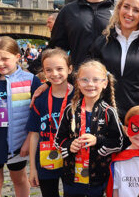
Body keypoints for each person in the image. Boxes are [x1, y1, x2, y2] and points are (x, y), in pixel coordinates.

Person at [0, 36, 41, 197]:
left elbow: (38, 114)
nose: (0, 63)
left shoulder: (31, 81)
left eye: (5, 59)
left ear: (18, 57)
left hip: (18, 142)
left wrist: (28, 141)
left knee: (19, 179)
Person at [54, 60, 123, 197]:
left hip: (98, 175)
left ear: (105, 83)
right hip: (72, 175)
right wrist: (69, 145)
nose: (90, 84)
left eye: (96, 80)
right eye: (84, 80)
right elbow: (58, 140)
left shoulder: (109, 112)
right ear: (78, 83)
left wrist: (97, 140)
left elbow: (118, 142)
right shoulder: (70, 110)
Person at [49, 0, 113, 69]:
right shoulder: (68, 11)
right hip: (79, 80)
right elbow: (56, 49)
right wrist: (29, 72)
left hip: (112, 81)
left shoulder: (119, 11)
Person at [27, 48, 74, 197]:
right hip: (46, 159)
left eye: (59, 69)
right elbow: (34, 134)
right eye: (49, 70)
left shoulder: (79, 97)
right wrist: (33, 168)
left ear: (70, 69)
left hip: (72, 158)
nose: (54, 74)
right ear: (44, 72)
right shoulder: (39, 99)